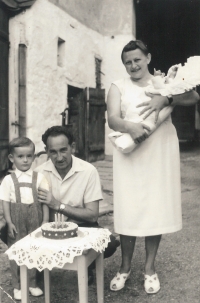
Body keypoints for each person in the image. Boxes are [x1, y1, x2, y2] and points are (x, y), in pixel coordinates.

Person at [107, 40, 199, 293]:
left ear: (148, 57)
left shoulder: (164, 82)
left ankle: (149, 269)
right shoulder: (118, 86)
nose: (133, 65)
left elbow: (193, 96)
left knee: (154, 207)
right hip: (130, 149)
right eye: (128, 62)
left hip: (159, 148)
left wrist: (167, 96)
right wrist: (130, 127)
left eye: (137, 59)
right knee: (130, 207)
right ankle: (124, 267)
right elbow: (113, 118)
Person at [35, 126, 120, 284]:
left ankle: (87, 266)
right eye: (53, 152)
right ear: (46, 151)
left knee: (108, 244)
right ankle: (36, 267)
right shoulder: (39, 172)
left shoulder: (88, 171)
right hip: (49, 228)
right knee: (7, 229)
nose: (59, 157)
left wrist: (57, 204)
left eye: (63, 150)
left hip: (80, 226)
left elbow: (92, 214)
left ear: (72, 147)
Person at [0, 137, 49, 301]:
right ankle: (18, 286)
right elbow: (5, 202)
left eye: (29, 156)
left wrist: (45, 221)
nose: (25, 160)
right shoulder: (8, 180)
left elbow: (45, 202)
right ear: (12, 158)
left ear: (34, 157)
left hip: (36, 217)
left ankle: (33, 283)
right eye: (20, 156)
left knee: (34, 250)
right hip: (16, 218)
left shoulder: (39, 177)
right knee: (16, 251)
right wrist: (9, 221)